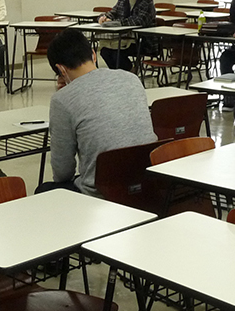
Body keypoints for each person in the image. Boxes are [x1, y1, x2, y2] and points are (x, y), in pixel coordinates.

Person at [40, 28, 157, 195]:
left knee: (43, 190)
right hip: (148, 184)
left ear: (61, 70)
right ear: (93, 55)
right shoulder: (131, 79)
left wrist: (66, 93)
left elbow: (63, 172)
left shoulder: (62, 100)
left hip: (102, 193)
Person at [97, 0, 156, 71]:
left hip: (142, 40)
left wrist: (115, 23)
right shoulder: (122, 0)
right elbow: (113, 12)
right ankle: (122, 73)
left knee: (116, 54)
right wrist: (103, 17)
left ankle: (129, 71)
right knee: (105, 52)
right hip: (125, 38)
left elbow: (138, 21)